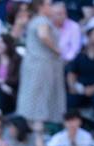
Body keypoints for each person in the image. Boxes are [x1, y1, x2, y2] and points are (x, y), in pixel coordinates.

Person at [17, 0, 68, 130]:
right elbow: (44, 36)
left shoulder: (35, 20)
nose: (51, 7)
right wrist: (57, 50)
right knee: (39, 104)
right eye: (48, 4)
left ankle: (37, 134)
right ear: (41, 7)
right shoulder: (42, 21)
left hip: (36, 65)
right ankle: (38, 137)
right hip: (42, 67)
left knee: (34, 102)